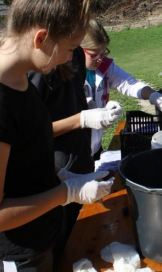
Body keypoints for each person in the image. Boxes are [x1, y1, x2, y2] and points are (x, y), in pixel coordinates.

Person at [0, 0, 114, 272]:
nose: (71, 58)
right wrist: (66, 193)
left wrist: (65, 179)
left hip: (40, 240)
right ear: (41, 39)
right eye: (69, 48)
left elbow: (22, 168)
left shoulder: (21, 82)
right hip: (17, 255)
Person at [28, 47, 122, 265]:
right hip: (57, 171)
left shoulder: (76, 54)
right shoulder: (37, 70)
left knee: (87, 237)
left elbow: (75, 98)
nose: (71, 55)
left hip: (81, 159)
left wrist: (97, 109)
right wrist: (81, 120)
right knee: (63, 246)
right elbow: (32, 133)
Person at [82, 19, 162, 160]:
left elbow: (128, 83)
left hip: (95, 147)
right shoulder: (68, 74)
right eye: (94, 54)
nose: (99, 59)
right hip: (74, 153)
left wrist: (155, 97)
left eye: (103, 53)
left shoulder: (105, 67)